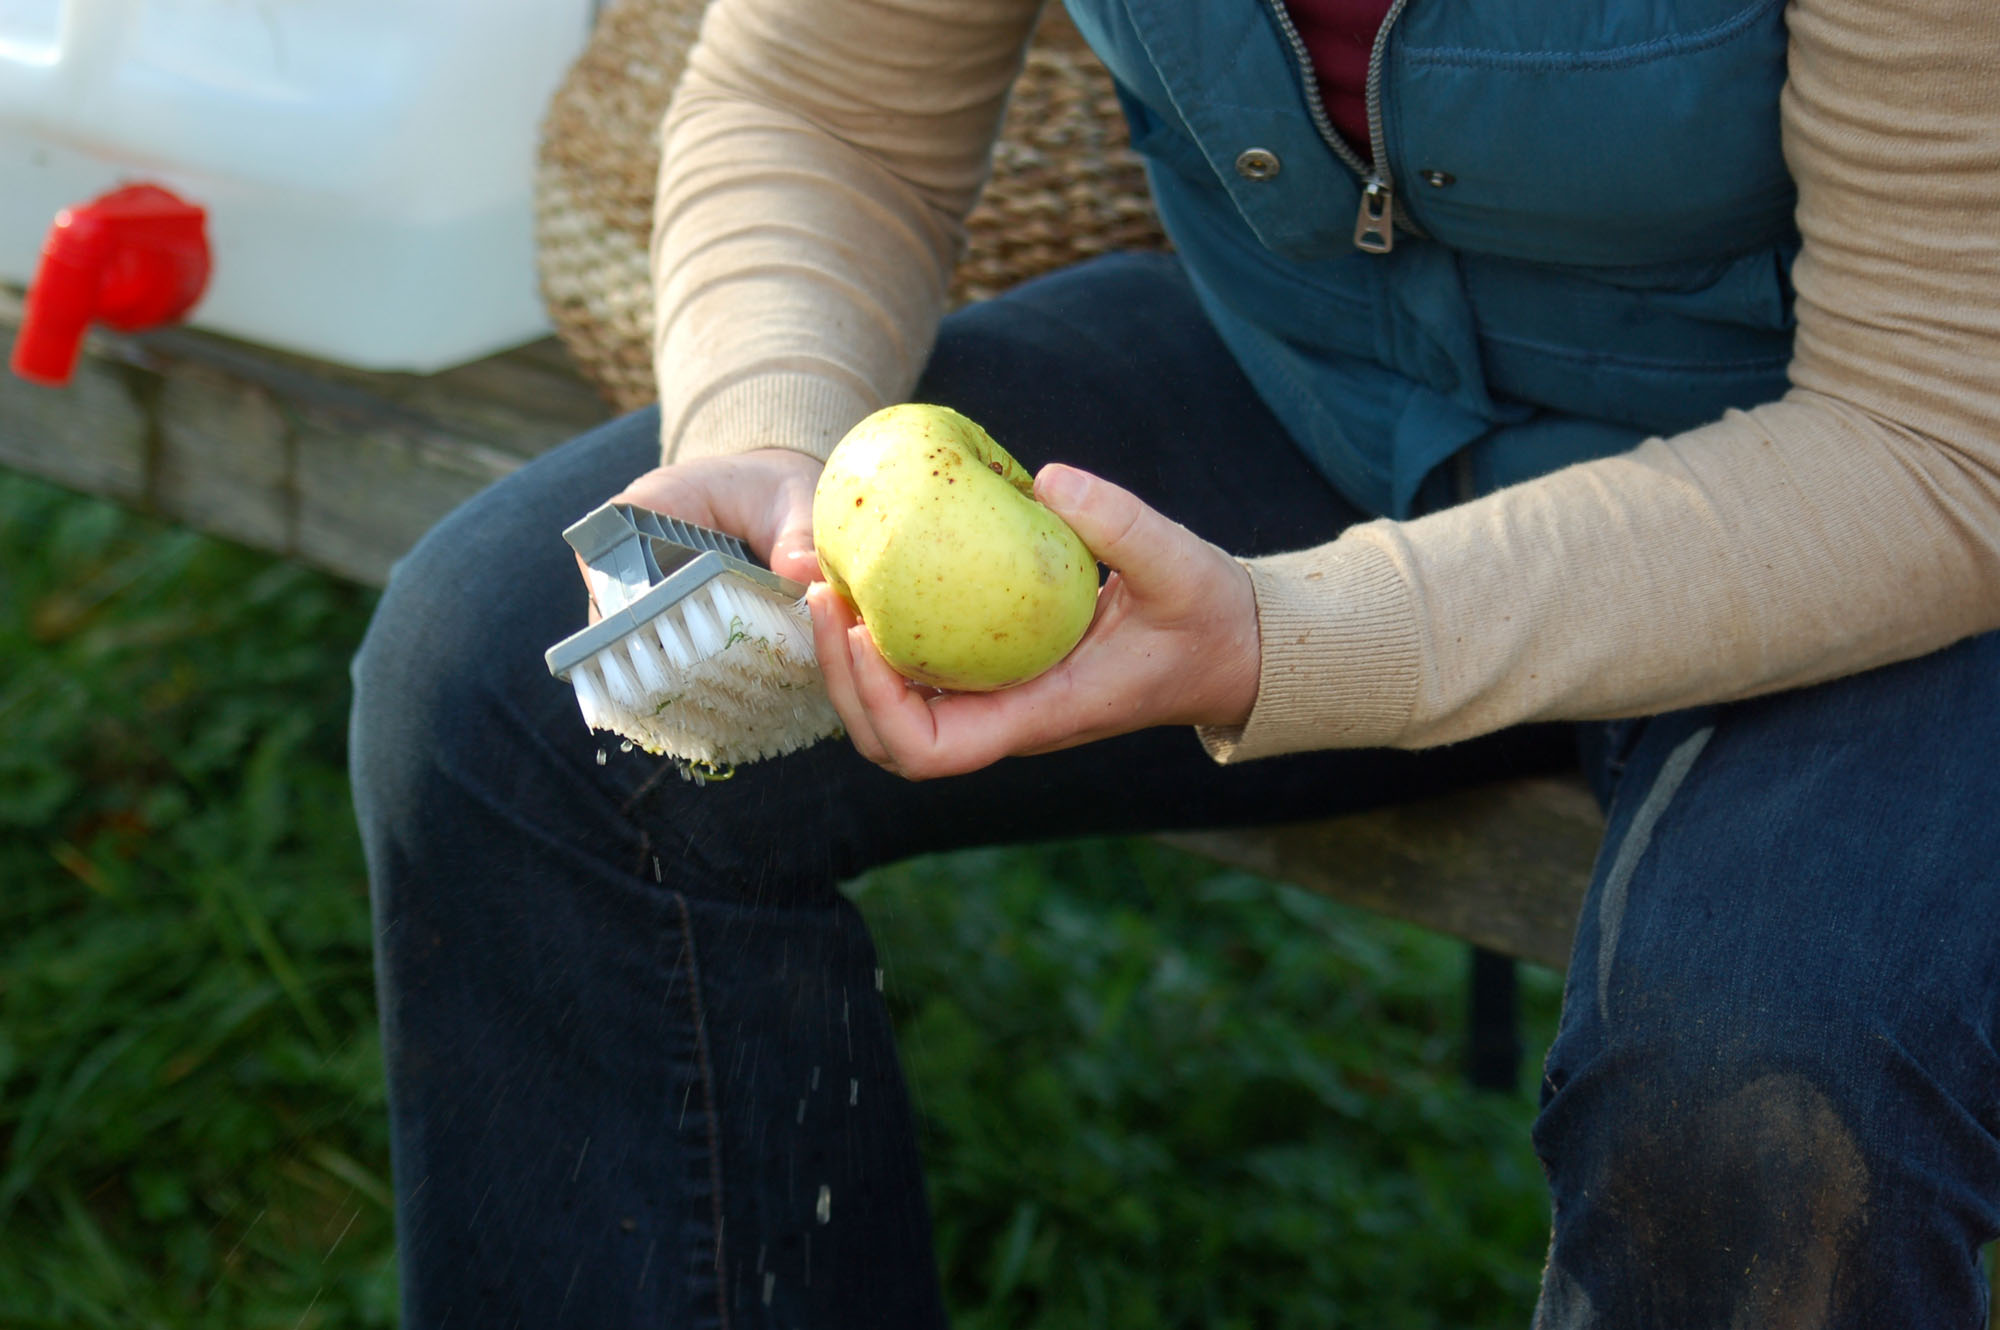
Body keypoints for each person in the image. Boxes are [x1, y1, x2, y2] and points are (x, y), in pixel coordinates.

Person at [348, 0, 2000, 1323]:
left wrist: (1296, 635)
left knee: (1761, 1088)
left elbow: (1937, 429)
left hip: (1864, 500)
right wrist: (776, 440)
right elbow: (826, 107)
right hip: (1328, 396)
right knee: (514, 697)